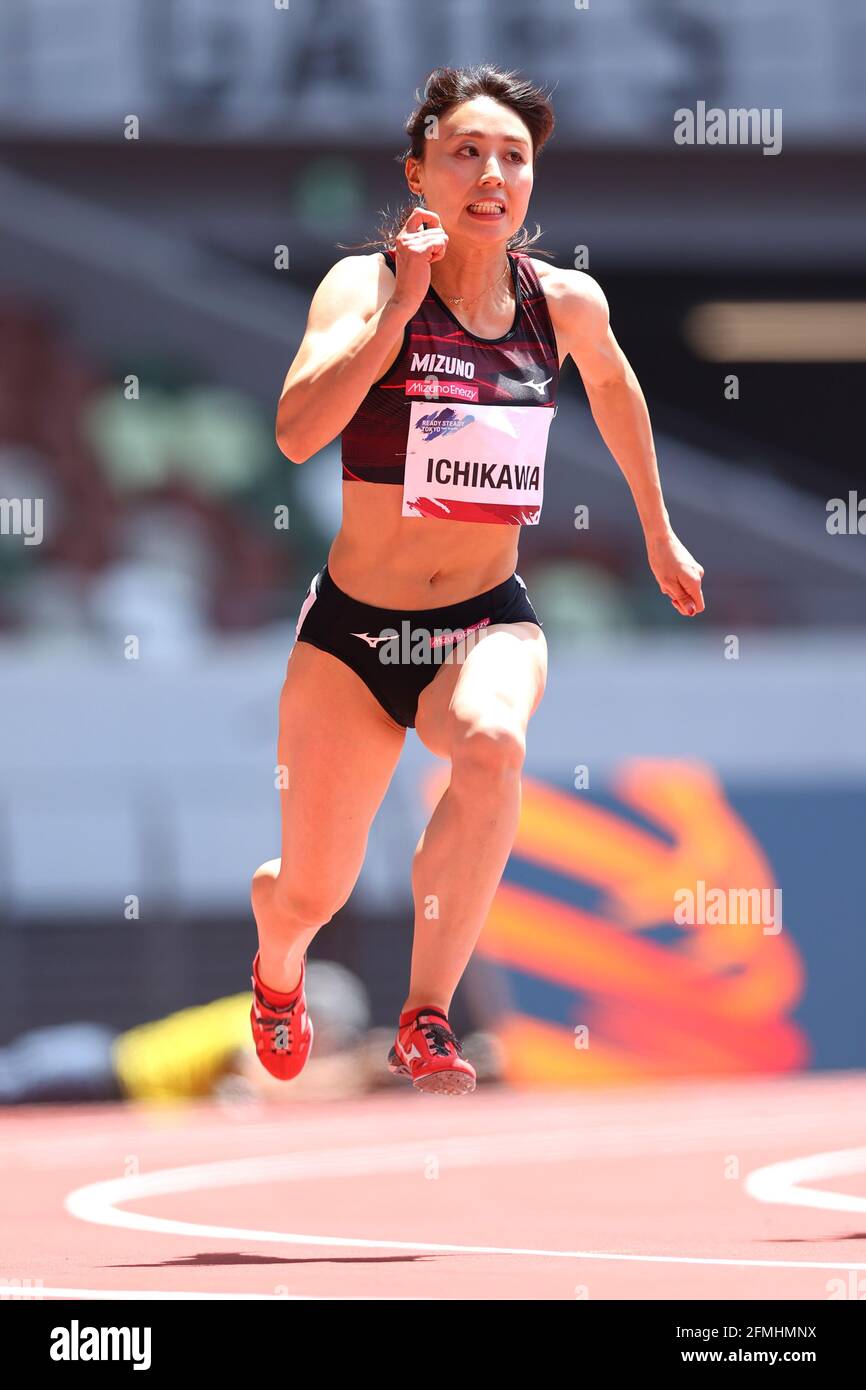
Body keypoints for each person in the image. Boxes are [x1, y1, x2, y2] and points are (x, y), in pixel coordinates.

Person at [250, 64, 705, 1096]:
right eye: (465, 152)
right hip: (354, 636)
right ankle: (276, 966)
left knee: (493, 745)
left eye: (513, 157)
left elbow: (619, 394)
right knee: (308, 890)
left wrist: (657, 532)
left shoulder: (564, 304)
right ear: (418, 174)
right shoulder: (362, 287)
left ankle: (424, 1013)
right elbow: (293, 433)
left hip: (480, 621)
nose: (491, 173)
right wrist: (400, 311)